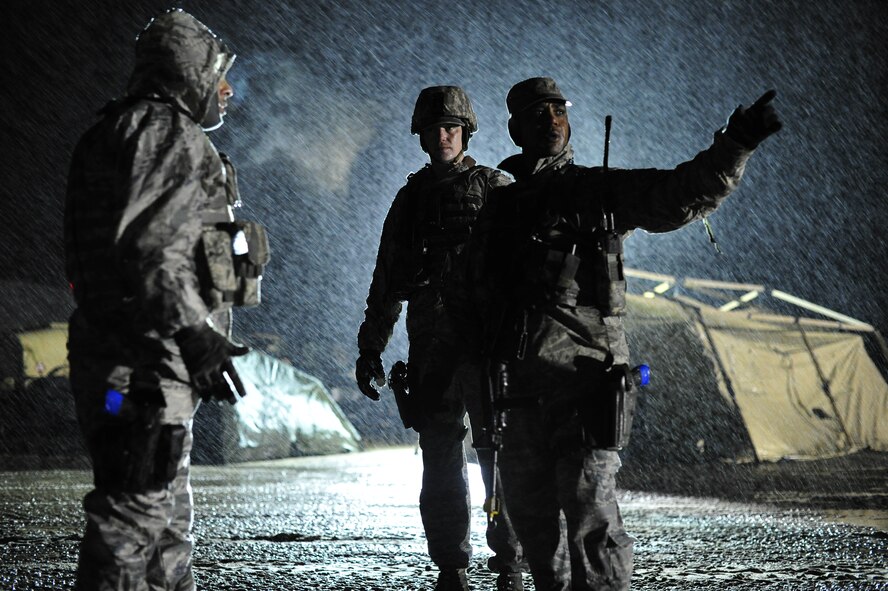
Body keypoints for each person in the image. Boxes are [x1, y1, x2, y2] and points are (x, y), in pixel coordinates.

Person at [462, 77, 781, 590]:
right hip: (515, 394)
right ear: (514, 128)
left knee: (592, 525)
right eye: (537, 114)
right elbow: (474, 298)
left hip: (582, 383)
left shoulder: (591, 190)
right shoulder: (499, 206)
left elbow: (679, 194)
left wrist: (734, 144)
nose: (550, 121)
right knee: (537, 534)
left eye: (558, 111)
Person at [64, 9, 269, 590]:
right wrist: (195, 335)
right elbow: (153, 253)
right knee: (132, 525)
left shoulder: (111, 131)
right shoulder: (166, 132)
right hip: (145, 367)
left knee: (163, 524)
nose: (227, 89)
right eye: (216, 72)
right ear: (184, 73)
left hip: (121, 363)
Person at [355, 86, 525, 591]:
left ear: (466, 132)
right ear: (423, 136)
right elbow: (386, 280)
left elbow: (524, 269)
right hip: (432, 346)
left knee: (499, 454)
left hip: (488, 342)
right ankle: (451, 563)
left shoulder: (497, 188)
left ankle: (510, 561)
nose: (444, 135)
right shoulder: (410, 201)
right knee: (442, 459)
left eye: (452, 127)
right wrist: (370, 348)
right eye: (435, 128)